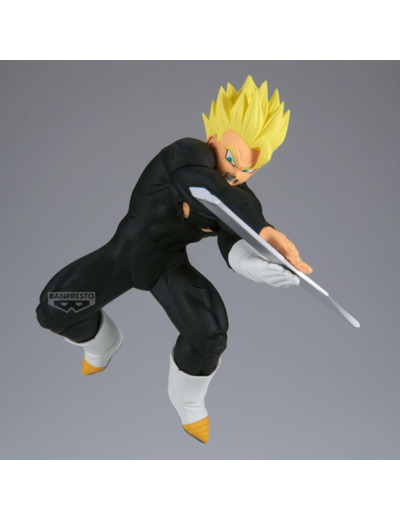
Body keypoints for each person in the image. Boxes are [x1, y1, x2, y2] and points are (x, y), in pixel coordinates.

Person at [36, 75, 312, 443]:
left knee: (210, 336)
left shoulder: (240, 199)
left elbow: (232, 240)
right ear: (213, 140)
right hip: (123, 255)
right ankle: (103, 342)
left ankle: (187, 399)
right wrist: (262, 230)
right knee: (54, 309)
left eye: (249, 170)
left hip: (167, 266)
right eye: (233, 159)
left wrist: (258, 266)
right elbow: (207, 186)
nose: (236, 175)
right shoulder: (186, 155)